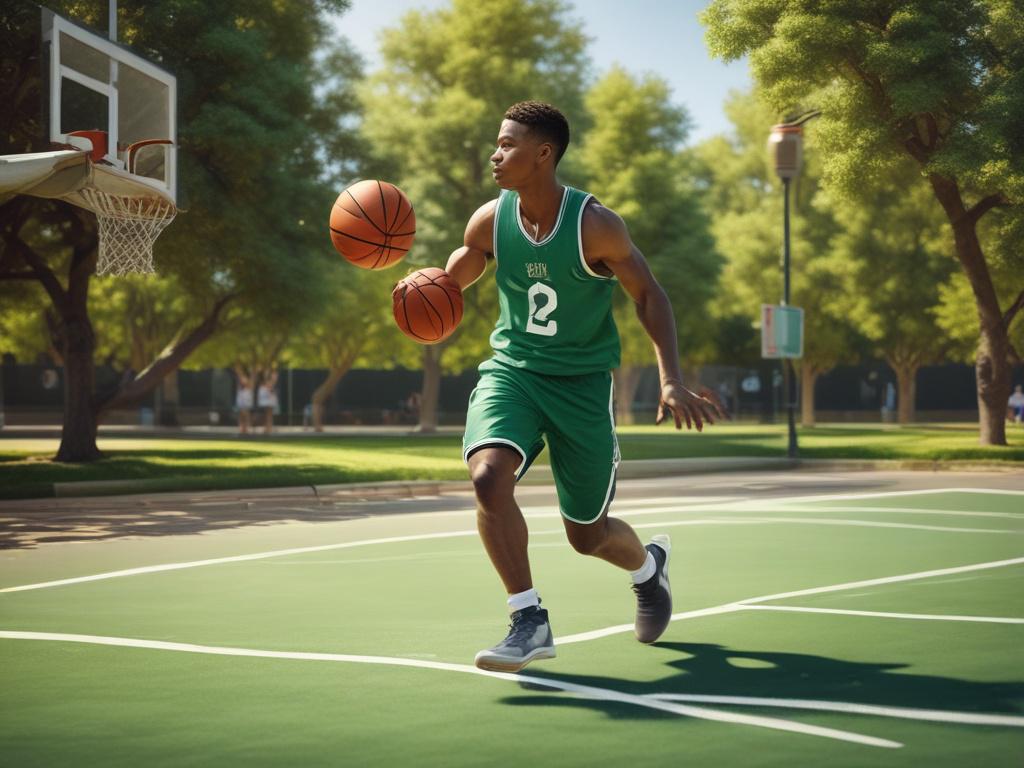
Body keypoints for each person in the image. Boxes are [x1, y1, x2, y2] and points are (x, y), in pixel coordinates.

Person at [434, 101, 725, 673]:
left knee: (586, 536)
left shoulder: (595, 224)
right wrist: (431, 286)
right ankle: (528, 619)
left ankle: (648, 569)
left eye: (507, 144)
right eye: (498, 142)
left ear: (543, 154)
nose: (495, 153)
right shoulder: (490, 220)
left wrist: (671, 380)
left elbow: (649, 296)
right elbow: (462, 268)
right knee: (489, 477)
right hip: (512, 372)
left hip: (581, 386)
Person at [257, 368, 279, 434]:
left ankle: (269, 428)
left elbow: (271, 388)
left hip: (270, 399)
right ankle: (267, 428)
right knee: (266, 414)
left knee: (269, 414)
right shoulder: (263, 381)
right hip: (265, 398)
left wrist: (272, 382)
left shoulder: (271, 380)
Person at [234, 366, 254, 435]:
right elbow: (239, 376)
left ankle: (247, 428)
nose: (243, 380)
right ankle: (242, 428)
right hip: (241, 403)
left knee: (246, 415)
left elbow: (252, 378)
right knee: (241, 416)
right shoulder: (240, 387)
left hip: (246, 403)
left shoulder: (249, 387)